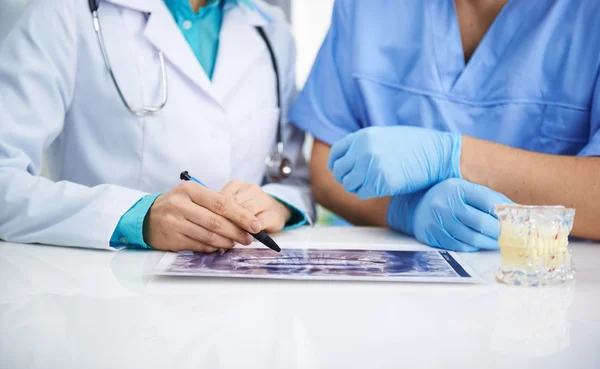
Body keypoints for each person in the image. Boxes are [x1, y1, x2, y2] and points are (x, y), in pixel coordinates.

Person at [0, 0, 314, 252]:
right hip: (104, 291)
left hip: (243, 293)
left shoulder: (271, 30)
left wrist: (280, 205)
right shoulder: (65, 12)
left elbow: (296, 180)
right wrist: (136, 217)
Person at [290, 0, 600, 252]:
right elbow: (326, 167)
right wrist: (404, 212)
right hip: (395, 289)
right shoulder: (366, 9)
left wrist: (450, 157)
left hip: (549, 292)